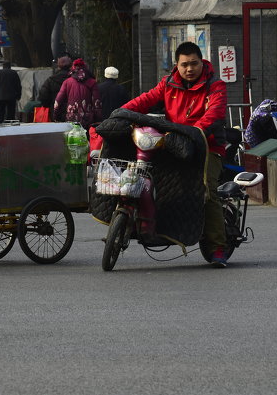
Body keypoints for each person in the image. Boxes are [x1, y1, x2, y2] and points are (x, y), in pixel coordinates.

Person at [121, 41, 230, 267]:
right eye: (184, 65)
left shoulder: (215, 86)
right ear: (176, 66)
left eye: (194, 64)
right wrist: (121, 112)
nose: (189, 69)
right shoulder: (168, 84)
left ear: (202, 62)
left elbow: (214, 113)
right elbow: (146, 100)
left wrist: (193, 133)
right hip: (174, 145)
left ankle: (218, 246)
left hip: (207, 148)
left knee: (206, 191)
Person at [55, 59, 101, 127]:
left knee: (73, 136)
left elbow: (58, 101)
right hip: (88, 120)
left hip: (71, 118)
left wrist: (56, 116)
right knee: (86, 136)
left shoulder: (67, 82)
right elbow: (97, 103)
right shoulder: (92, 82)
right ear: (86, 68)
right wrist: (98, 119)